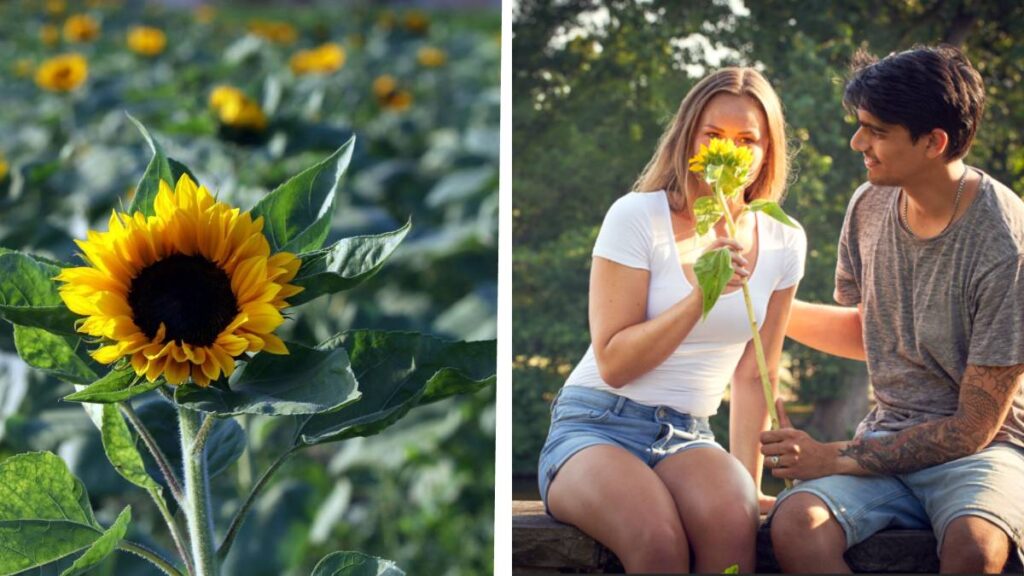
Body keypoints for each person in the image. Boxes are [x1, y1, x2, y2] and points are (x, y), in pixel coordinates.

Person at [760, 45, 1024, 574]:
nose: (859, 143)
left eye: (876, 131)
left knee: (974, 549)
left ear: (934, 142)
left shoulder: (1005, 244)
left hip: (984, 451)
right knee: (795, 526)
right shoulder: (870, 204)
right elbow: (870, 333)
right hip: (883, 440)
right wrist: (765, 307)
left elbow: (972, 426)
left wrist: (830, 457)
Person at [536, 67, 806, 573]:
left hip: (689, 435)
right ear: (690, 140)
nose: (731, 152)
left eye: (749, 140)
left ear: (768, 151)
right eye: (715, 136)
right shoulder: (637, 215)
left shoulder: (784, 239)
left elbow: (755, 376)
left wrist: (749, 485)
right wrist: (700, 296)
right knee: (657, 541)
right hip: (597, 424)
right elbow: (614, 363)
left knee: (733, 523)